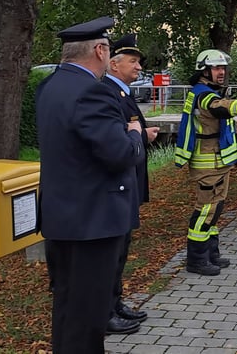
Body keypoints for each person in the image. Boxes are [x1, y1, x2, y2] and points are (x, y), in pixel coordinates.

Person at [36, 16, 145, 354]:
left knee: (68, 308)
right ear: (100, 51)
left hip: (61, 216)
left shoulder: (50, 86)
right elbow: (119, 154)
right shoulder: (92, 92)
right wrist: (135, 136)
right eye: (108, 50)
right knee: (88, 317)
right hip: (93, 222)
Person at [174, 49, 237, 275]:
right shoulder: (204, 95)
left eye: (223, 68)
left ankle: (211, 254)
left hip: (217, 162)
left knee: (215, 209)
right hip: (207, 164)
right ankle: (196, 260)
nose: (222, 72)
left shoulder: (208, 92)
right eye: (217, 68)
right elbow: (221, 107)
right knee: (206, 210)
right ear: (204, 71)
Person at [102, 34, 160, 335]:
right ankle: (107, 310)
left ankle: (116, 302)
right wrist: (139, 135)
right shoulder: (108, 93)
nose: (139, 67)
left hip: (129, 183)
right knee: (112, 252)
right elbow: (117, 138)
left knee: (121, 249)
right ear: (114, 64)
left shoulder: (122, 93)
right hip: (117, 186)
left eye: (139, 62)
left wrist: (141, 134)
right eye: (133, 61)